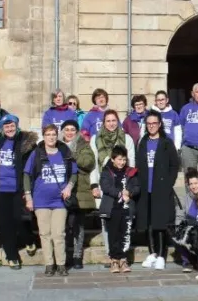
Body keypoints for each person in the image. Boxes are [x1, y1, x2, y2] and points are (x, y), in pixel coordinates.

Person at [23, 124, 77, 277]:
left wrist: (69, 187)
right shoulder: (36, 153)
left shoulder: (64, 151)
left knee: (58, 234)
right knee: (45, 234)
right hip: (41, 200)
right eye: (48, 134)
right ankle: (49, 264)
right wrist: (28, 197)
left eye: (53, 134)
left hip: (60, 200)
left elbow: (74, 173)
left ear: (57, 135)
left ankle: (61, 264)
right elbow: (26, 174)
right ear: (44, 136)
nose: (51, 137)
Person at [90, 109, 136, 267]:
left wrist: (129, 185)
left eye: (114, 120)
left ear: (118, 122)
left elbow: (132, 163)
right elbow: (93, 164)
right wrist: (94, 184)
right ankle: (111, 255)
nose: (111, 123)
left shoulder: (126, 138)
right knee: (107, 221)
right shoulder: (95, 139)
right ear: (103, 123)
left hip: (123, 186)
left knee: (124, 223)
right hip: (106, 184)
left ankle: (122, 255)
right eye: (108, 121)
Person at [0, 114, 38, 269]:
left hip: (18, 188)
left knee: (21, 219)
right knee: (5, 224)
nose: (9, 129)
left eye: (12, 126)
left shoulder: (25, 144)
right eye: (6, 126)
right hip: (1, 189)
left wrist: (28, 189)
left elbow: (32, 168)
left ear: (17, 126)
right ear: (2, 129)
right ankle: (12, 256)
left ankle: (30, 240)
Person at [137, 110, 180, 270]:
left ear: (160, 124)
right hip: (145, 189)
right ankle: (152, 253)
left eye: (154, 123)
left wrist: (168, 183)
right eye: (149, 124)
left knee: (160, 223)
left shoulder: (166, 143)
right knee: (148, 222)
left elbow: (174, 165)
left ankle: (161, 255)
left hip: (161, 189)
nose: (151, 126)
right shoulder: (143, 142)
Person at [99, 145, 140, 274]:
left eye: (123, 159)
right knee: (113, 234)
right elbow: (106, 187)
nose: (122, 162)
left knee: (125, 234)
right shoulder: (106, 171)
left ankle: (123, 258)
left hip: (126, 209)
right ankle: (114, 259)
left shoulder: (131, 172)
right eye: (119, 159)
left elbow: (137, 186)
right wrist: (120, 194)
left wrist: (130, 192)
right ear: (112, 159)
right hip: (112, 208)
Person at [61, 119, 95, 269]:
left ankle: (77, 255)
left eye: (72, 130)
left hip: (79, 190)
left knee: (78, 225)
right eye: (66, 129)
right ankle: (65, 255)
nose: (69, 132)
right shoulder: (57, 146)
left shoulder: (83, 145)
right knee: (63, 225)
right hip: (61, 191)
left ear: (77, 132)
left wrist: (72, 155)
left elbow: (88, 162)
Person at [178, 168, 198, 272]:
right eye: (191, 184)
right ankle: (186, 261)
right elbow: (179, 216)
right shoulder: (184, 198)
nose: (193, 186)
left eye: (196, 183)